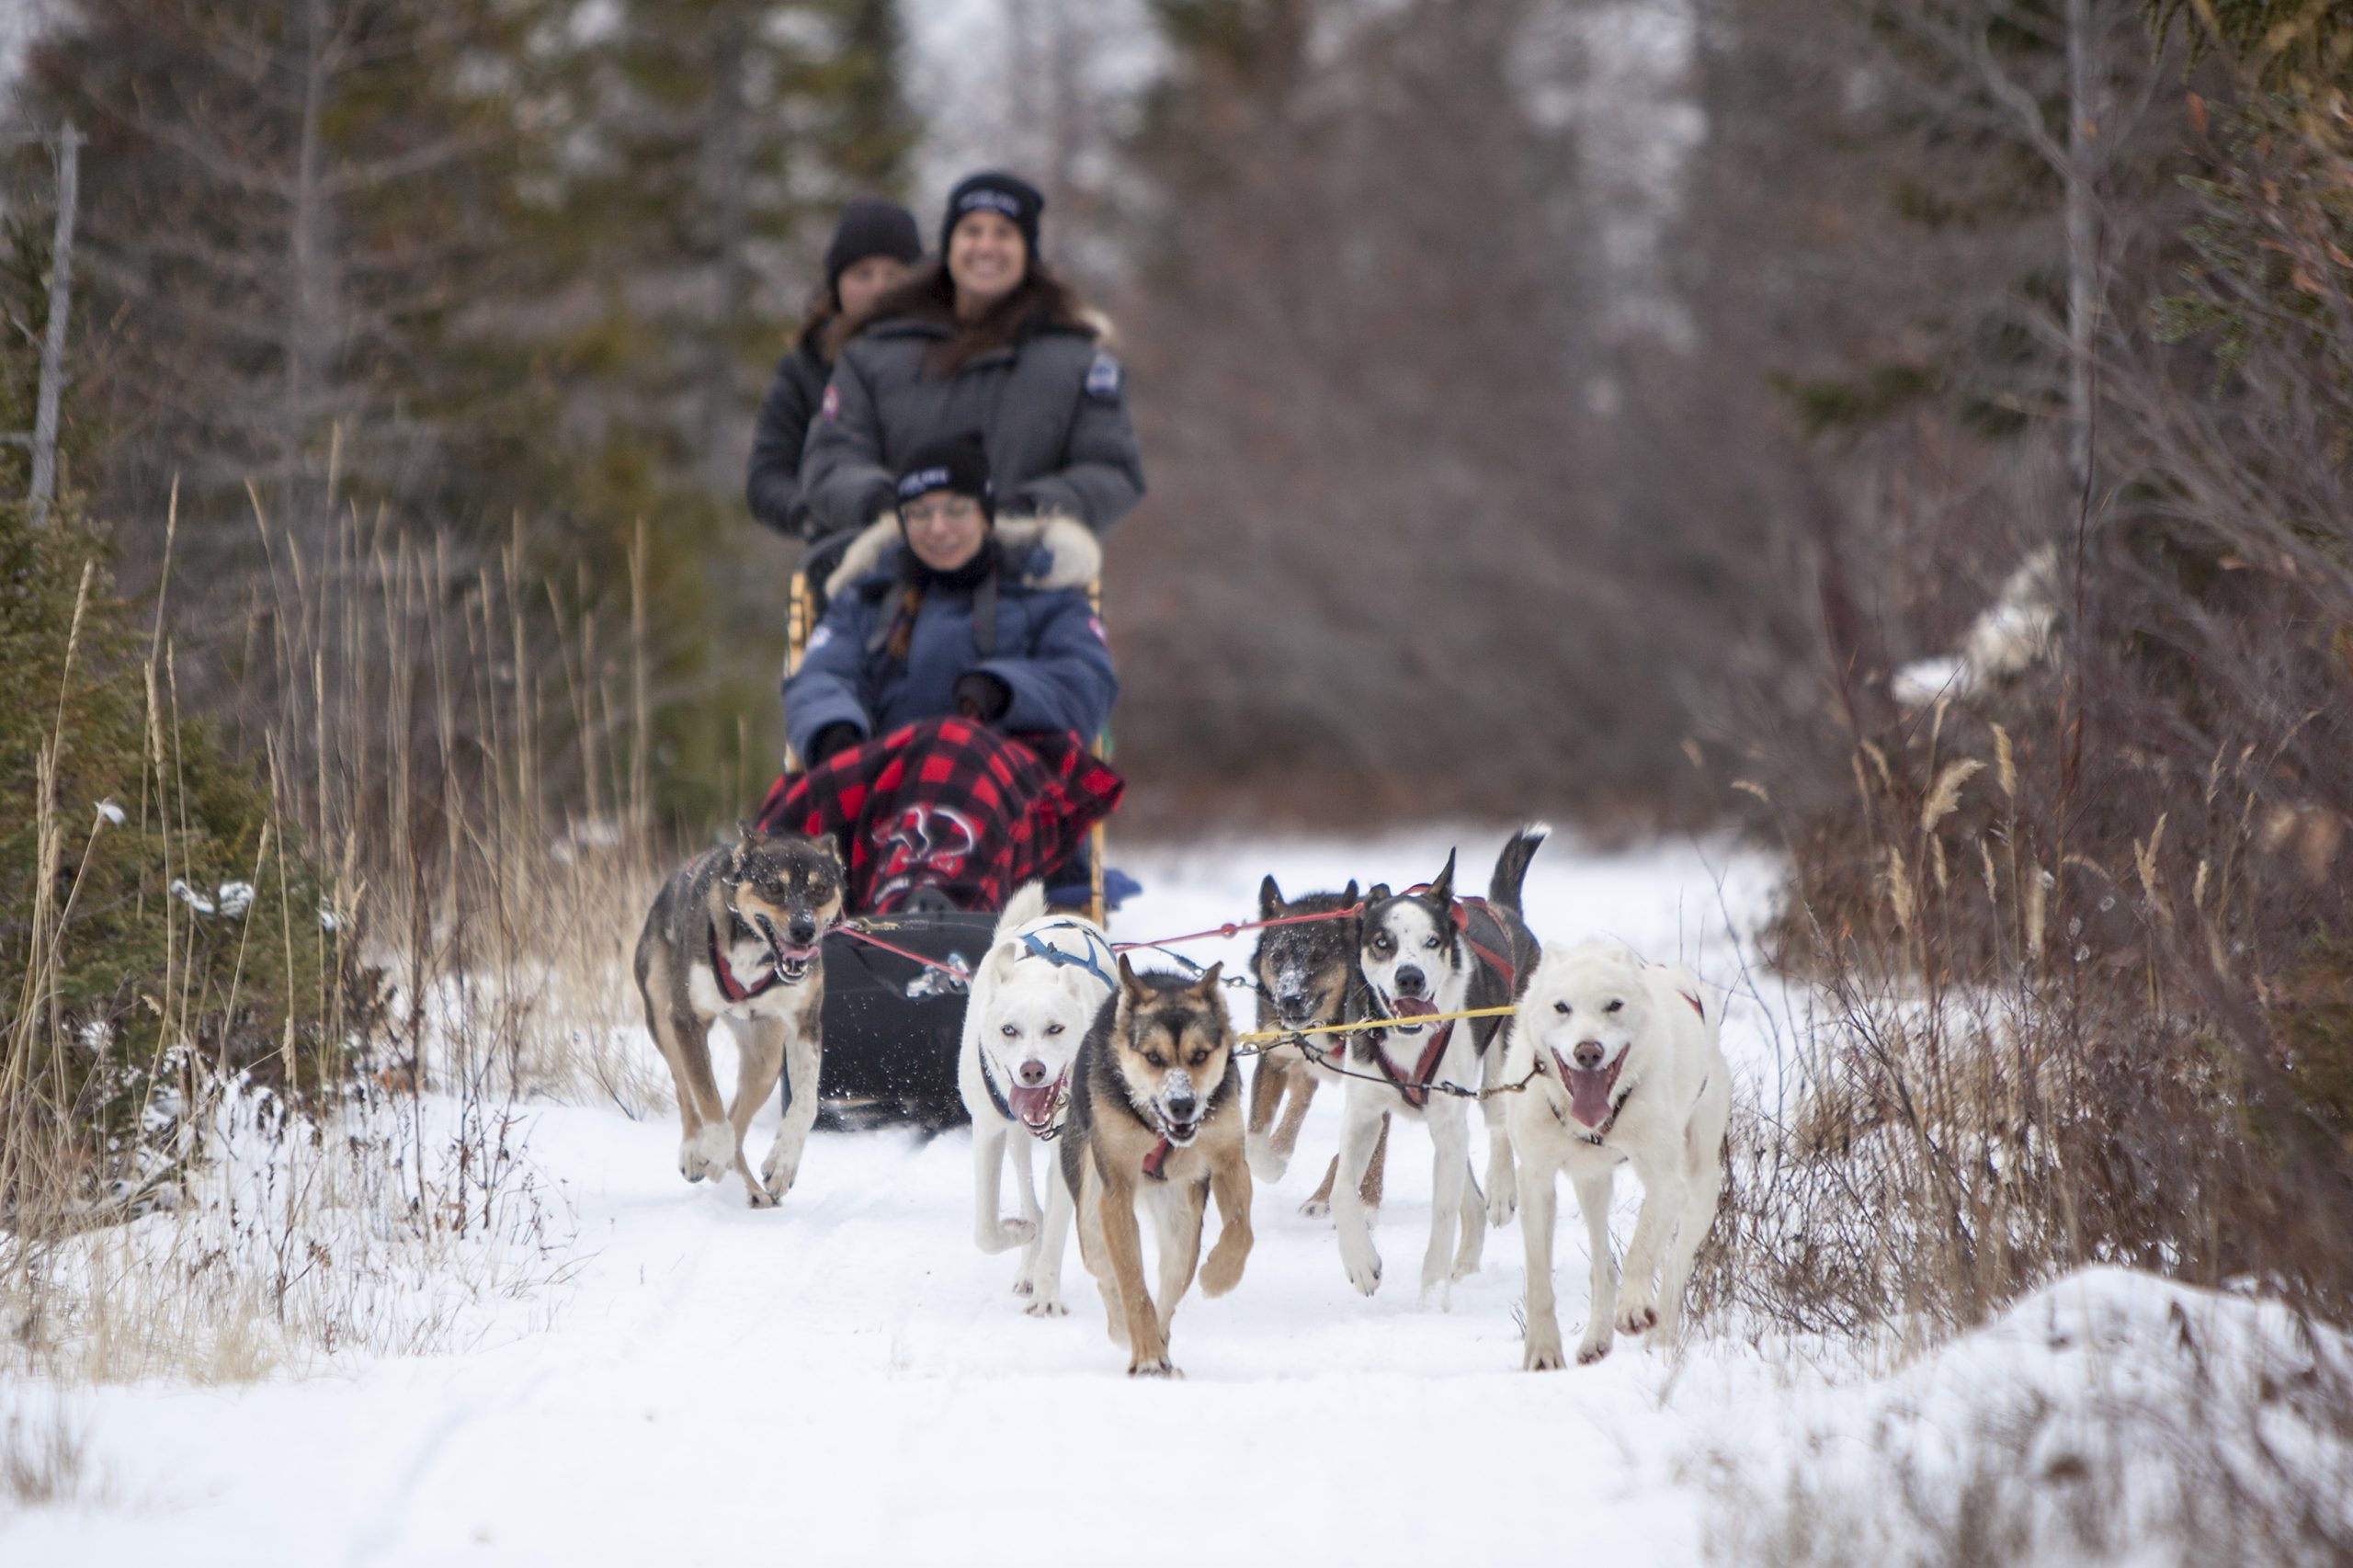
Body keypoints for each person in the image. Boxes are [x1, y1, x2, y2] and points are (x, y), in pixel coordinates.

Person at [761, 435, 1121, 914]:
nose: (937, 528)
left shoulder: (1046, 592)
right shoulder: (867, 597)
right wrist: (834, 728)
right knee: (800, 813)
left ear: (986, 515)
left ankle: (934, 908)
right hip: (888, 780)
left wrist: (1003, 689)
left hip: (1014, 788)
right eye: (919, 513)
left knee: (952, 743)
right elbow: (820, 676)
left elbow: (1087, 679)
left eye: (956, 510)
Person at [796, 170, 1144, 566]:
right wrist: (903, 509)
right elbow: (832, 461)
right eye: (972, 231)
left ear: (1027, 251)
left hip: (1032, 581)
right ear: (949, 245)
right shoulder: (873, 355)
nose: (985, 247)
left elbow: (1111, 470)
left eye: (1003, 233)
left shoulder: (1081, 363)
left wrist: (1021, 514)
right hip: (896, 580)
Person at [745, 198, 923, 538]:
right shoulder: (805, 367)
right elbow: (768, 475)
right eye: (863, 274)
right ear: (836, 285)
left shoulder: (944, 358)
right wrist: (814, 515)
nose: (879, 289)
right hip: (839, 544)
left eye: (894, 274)